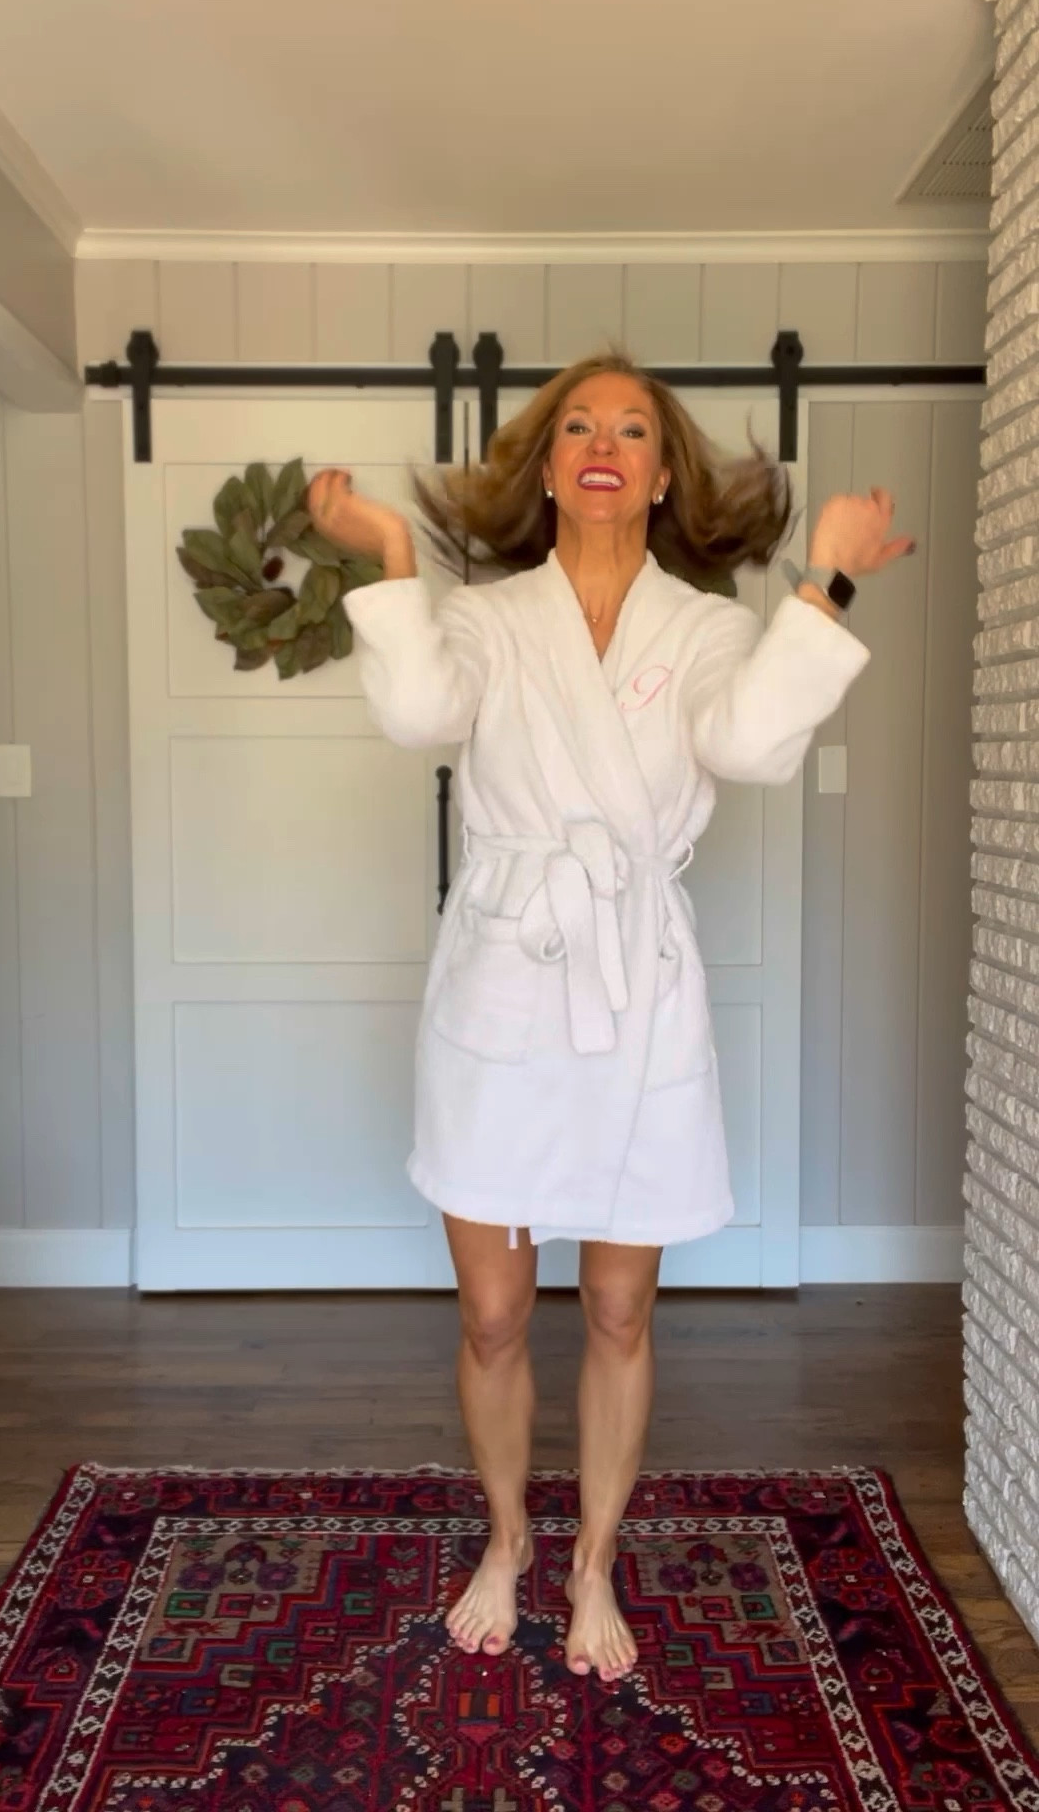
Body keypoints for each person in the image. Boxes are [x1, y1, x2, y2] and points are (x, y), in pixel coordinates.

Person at [306, 352, 911, 1685]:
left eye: (634, 428)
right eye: (578, 422)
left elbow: (749, 745)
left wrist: (826, 579)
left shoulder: (705, 630)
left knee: (623, 1309)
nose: (603, 442)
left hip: (634, 983)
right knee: (493, 1313)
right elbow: (418, 712)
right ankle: (508, 1540)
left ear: (664, 474)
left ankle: (592, 1562)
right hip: (506, 972)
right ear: (545, 464)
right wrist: (392, 556)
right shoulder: (486, 618)